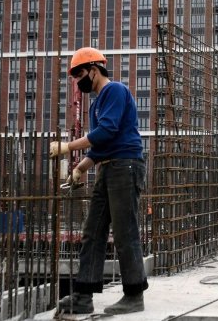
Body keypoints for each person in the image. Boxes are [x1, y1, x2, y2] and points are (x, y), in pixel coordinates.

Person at [48, 47, 148, 315]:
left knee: (125, 230)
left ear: (95, 69)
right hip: (108, 167)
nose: (78, 81)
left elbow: (107, 132)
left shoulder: (114, 91)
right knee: (93, 231)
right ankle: (83, 294)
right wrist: (80, 168)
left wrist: (67, 147)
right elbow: (100, 147)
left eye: (80, 73)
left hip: (125, 166)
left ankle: (134, 294)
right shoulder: (96, 105)